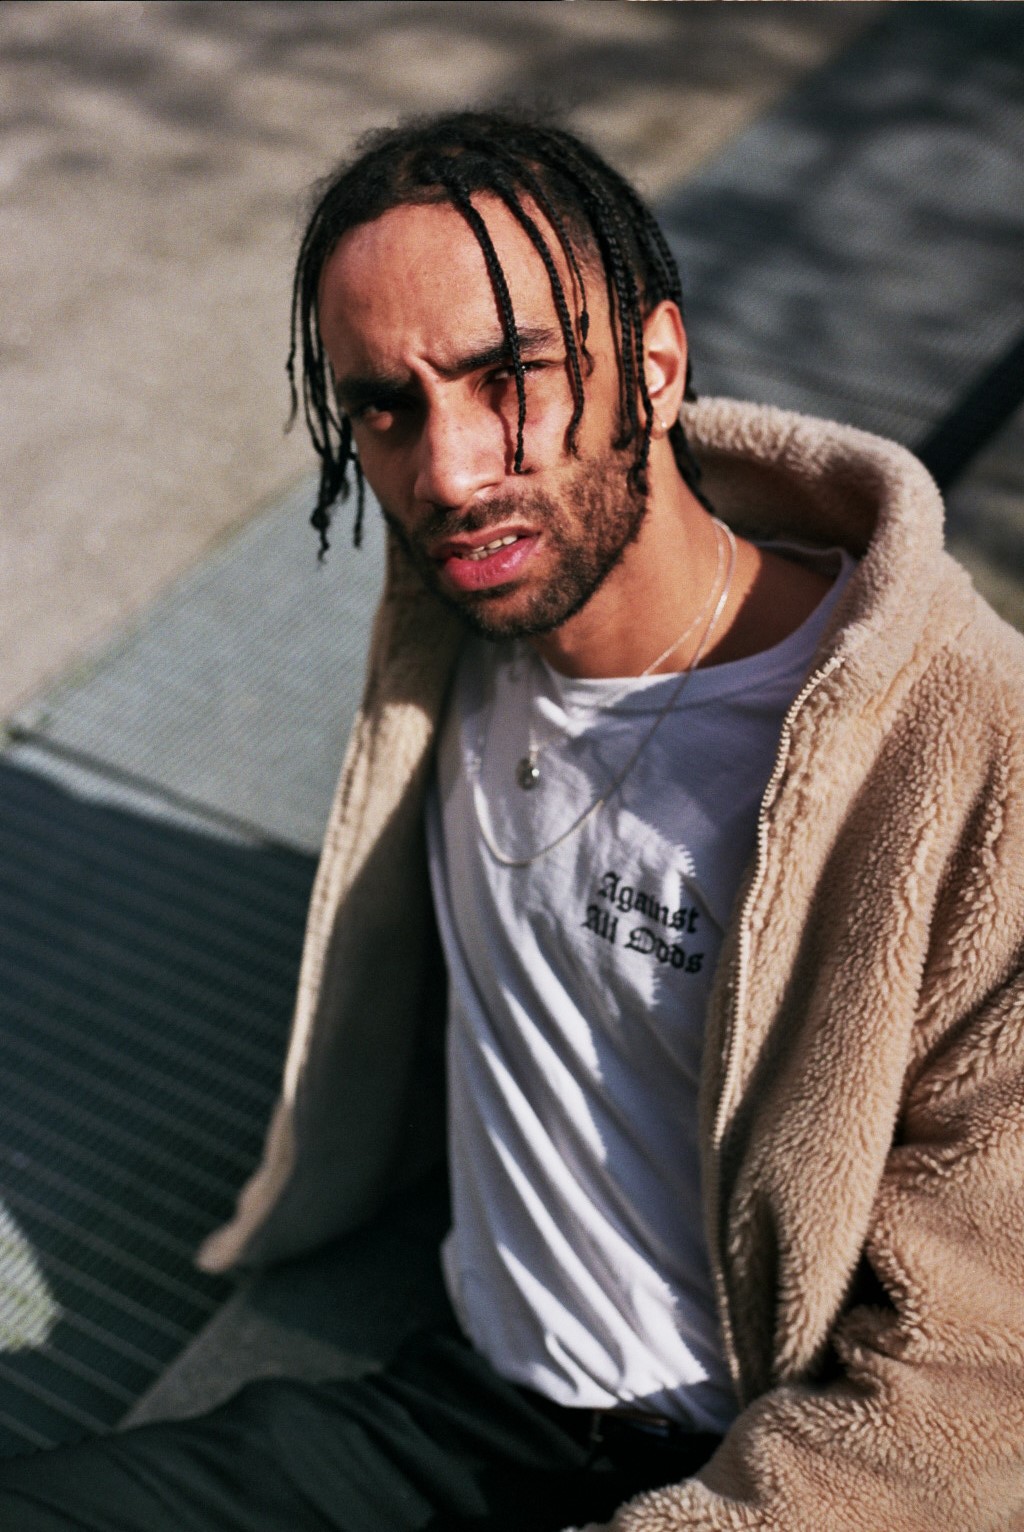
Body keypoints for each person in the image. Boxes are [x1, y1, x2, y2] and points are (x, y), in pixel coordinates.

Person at [2, 108, 1023, 1532]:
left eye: (510, 378)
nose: (451, 472)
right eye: (388, 407)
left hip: (756, 1457)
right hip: (465, 1407)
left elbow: (971, 1391)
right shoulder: (463, 631)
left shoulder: (966, 775)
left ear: (655, 368)